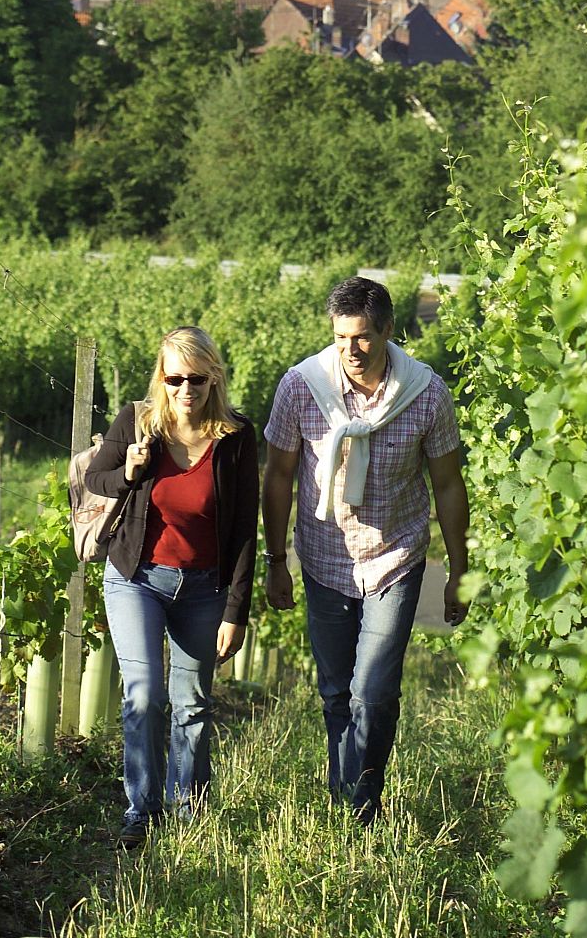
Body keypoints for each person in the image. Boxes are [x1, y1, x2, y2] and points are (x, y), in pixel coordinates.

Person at [262, 275, 469, 823]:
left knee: (372, 691)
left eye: (362, 338)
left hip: (395, 557)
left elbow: (448, 484)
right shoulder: (302, 387)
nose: (351, 350)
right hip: (324, 559)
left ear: (388, 333)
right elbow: (279, 475)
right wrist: (276, 560)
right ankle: (345, 798)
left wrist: (459, 570)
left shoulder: (426, 394)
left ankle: (363, 804)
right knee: (335, 692)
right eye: (340, 338)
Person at [84, 326, 258, 846]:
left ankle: (189, 812)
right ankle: (141, 812)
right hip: (137, 577)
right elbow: (97, 479)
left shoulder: (235, 437)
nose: (186, 389)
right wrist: (130, 472)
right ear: (162, 377)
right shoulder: (139, 425)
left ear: (213, 379)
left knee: (194, 704)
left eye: (197, 379)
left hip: (205, 586)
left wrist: (236, 609)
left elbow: (245, 525)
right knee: (144, 697)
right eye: (175, 377)